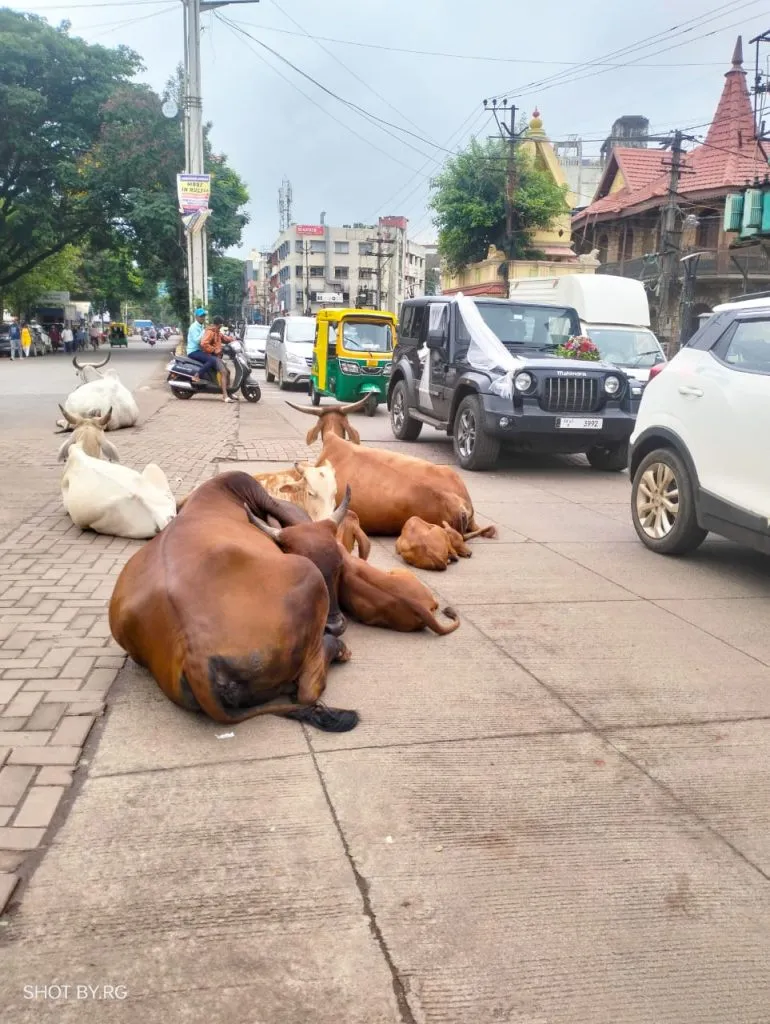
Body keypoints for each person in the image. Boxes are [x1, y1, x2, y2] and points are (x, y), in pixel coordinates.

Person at [190, 315, 234, 403]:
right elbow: (203, 343)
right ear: (219, 324)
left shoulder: (217, 332)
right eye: (221, 324)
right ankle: (225, 396)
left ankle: (229, 393)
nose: (221, 326)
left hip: (216, 356)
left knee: (228, 371)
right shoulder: (210, 332)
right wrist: (214, 350)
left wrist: (234, 339)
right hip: (212, 356)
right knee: (224, 372)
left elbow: (224, 338)